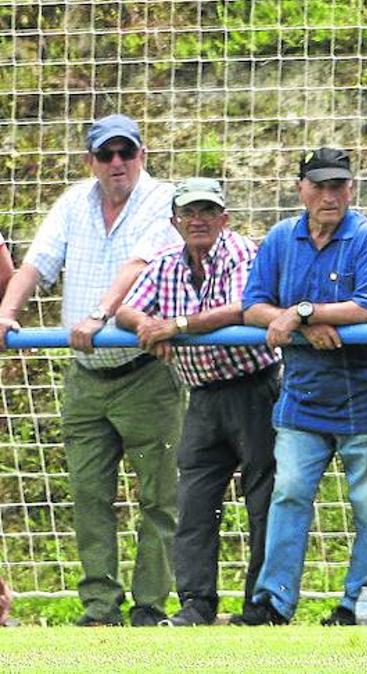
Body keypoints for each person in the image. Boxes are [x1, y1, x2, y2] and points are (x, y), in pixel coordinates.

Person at [0, 114, 183, 627]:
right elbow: (35, 263)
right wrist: (6, 312)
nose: (117, 163)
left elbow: (138, 267)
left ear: (143, 155)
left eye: (127, 152)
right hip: (85, 374)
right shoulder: (73, 201)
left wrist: (98, 316)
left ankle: (150, 608)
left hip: (145, 370)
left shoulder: (161, 200)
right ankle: (100, 609)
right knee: (88, 494)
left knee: (159, 497)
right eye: (107, 154)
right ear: (91, 161)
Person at [237, 147, 367, 626]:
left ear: (351, 189)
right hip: (304, 396)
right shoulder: (279, 238)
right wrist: (297, 320)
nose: (330, 196)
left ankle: (360, 605)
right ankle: (273, 602)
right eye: (321, 186)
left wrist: (304, 311)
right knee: (287, 492)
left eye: (339, 186)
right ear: (301, 189)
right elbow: (254, 306)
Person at [115, 177, 281, 626]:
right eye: (189, 213)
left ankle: (261, 605)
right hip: (202, 396)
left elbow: (244, 307)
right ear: (175, 222)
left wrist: (177, 326)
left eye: (207, 211)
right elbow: (126, 309)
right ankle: (196, 604)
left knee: (263, 499)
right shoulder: (166, 263)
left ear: (224, 218)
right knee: (194, 500)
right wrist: (149, 326)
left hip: (255, 387)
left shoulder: (244, 252)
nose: (198, 220)